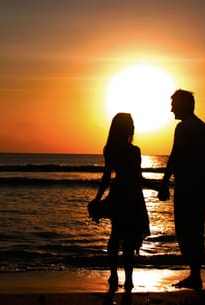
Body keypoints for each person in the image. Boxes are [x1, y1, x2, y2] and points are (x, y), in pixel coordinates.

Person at [158, 89, 205, 290]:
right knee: (195, 229)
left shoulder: (184, 128)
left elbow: (175, 156)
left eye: (174, 105)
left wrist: (164, 182)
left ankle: (195, 276)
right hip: (199, 185)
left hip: (188, 186)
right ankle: (195, 274)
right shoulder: (203, 128)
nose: (171, 109)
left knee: (186, 230)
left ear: (183, 105)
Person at [90, 113, 151, 292]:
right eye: (131, 123)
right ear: (126, 128)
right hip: (132, 195)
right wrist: (157, 187)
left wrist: (98, 198)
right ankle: (129, 279)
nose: (133, 126)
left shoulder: (110, 149)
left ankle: (114, 275)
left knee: (116, 234)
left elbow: (106, 177)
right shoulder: (134, 151)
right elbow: (138, 178)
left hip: (118, 192)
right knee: (129, 239)